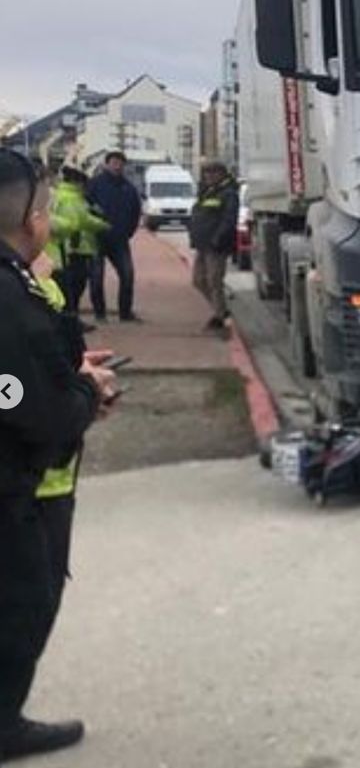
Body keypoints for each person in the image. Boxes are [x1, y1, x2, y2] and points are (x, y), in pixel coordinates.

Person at [0, 149, 117, 760]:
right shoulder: (9, 296)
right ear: (32, 220)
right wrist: (80, 392)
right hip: (18, 483)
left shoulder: (18, 286)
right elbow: (15, 397)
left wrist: (59, 378)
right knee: (22, 604)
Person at [86, 151, 142, 323]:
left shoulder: (129, 188)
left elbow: (135, 212)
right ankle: (100, 313)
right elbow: (85, 207)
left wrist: (128, 232)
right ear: (107, 164)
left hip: (120, 240)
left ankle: (125, 313)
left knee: (127, 275)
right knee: (96, 278)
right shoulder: (94, 184)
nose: (117, 165)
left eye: (120, 163)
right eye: (114, 162)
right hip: (96, 238)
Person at [46, 166, 108, 320]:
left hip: (67, 249)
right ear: (77, 183)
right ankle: (70, 320)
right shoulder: (71, 199)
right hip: (75, 248)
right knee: (73, 286)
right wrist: (103, 224)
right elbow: (78, 222)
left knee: (70, 287)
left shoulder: (64, 196)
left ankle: (71, 318)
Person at [188, 161, 240, 332]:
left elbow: (229, 219)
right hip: (203, 245)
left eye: (212, 173)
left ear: (221, 174)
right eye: (206, 173)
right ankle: (221, 311)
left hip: (216, 246)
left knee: (214, 280)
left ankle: (220, 316)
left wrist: (217, 239)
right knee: (198, 280)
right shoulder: (208, 192)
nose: (208, 176)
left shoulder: (228, 194)